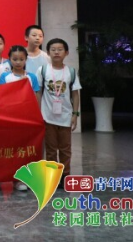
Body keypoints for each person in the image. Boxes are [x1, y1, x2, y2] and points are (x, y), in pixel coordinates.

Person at [36, 38, 81, 188]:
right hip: (47, 116)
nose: (56, 52)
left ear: (66, 52)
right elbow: (38, 92)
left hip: (65, 116)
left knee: (65, 149)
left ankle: (65, 175)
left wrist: (75, 114)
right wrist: (38, 113)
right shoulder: (42, 70)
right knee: (50, 149)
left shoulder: (71, 72)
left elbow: (75, 94)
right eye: (53, 49)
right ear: (48, 53)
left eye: (60, 49)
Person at [0, 45, 41, 192]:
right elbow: (1, 96)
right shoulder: (5, 77)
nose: (18, 62)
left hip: (27, 119)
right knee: (12, 150)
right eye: (15, 59)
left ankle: (24, 178)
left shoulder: (32, 77)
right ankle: (12, 178)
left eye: (21, 59)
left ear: (25, 60)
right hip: (10, 119)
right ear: (9, 60)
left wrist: (37, 116)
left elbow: (36, 97)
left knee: (25, 150)